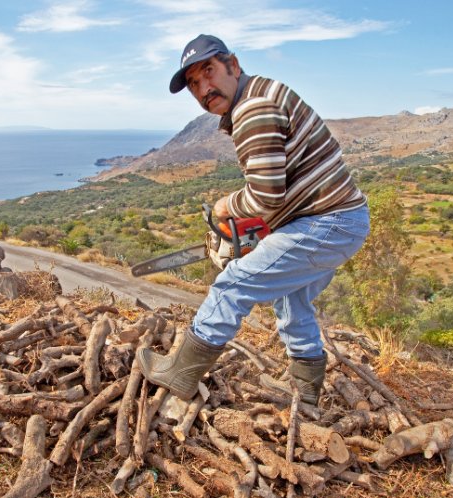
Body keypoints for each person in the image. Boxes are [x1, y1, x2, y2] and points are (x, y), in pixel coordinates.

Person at [138, 34, 369, 405]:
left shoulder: (252, 109)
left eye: (208, 72)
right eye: (194, 84)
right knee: (292, 302)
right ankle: (306, 394)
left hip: (328, 222)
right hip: (334, 220)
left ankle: (180, 373)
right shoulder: (260, 94)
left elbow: (265, 196)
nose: (203, 88)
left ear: (233, 65)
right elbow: (279, 189)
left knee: (232, 285)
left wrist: (223, 206)